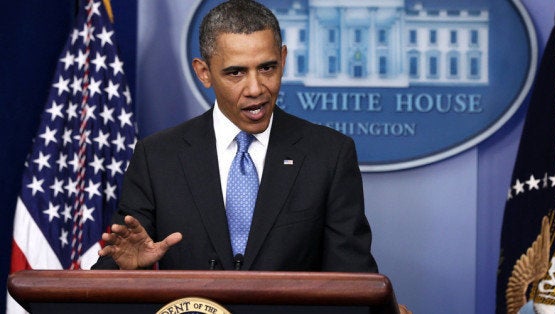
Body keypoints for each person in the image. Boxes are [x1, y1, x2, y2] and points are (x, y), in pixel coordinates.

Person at [92, 0, 378, 273]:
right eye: (236, 73)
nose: (255, 88)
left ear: (283, 59)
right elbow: (117, 262)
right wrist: (125, 268)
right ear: (204, 73)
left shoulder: (329, 155)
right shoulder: (157, 158)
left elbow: (353, 277)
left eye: (267, 68)